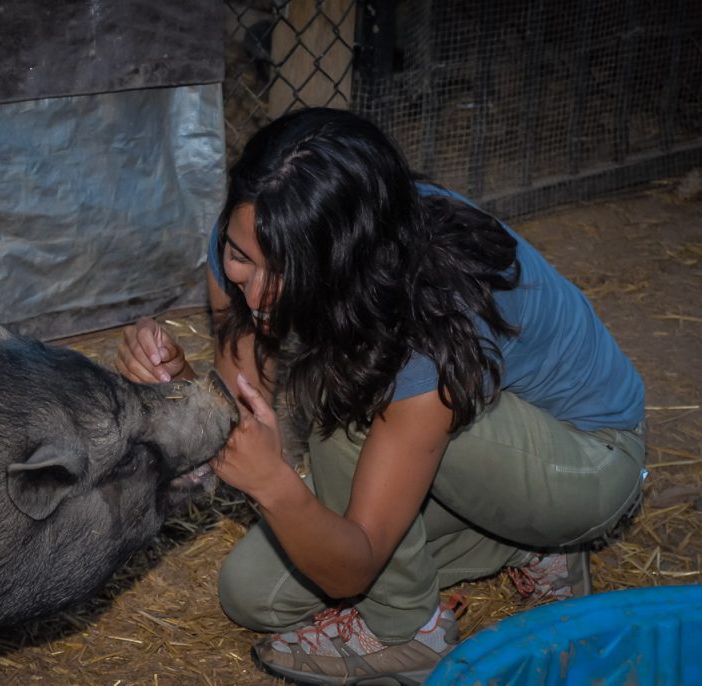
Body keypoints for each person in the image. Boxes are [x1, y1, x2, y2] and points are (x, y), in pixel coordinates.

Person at [115, 108, 646, 685]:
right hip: (464, 454)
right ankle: (522, 545)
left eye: (286, 269)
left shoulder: (421, 337)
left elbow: (353, 568)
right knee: (252, 595)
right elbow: (248, 410)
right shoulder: (245, 241)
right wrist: (176, 386)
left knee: (354, 408)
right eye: (243, 257)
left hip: (586, 463)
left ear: (346, 259)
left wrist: (273, 485)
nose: (257, 290)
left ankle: (406, 632)